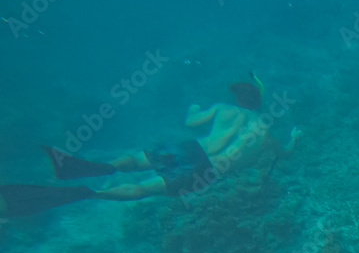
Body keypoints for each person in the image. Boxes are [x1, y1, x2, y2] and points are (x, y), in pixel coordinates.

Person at [0, 74, 301, 217]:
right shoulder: (267, 136)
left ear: (240, 99)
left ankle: (93, 167)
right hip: (209, 171)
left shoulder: (224, 110)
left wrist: (193, 107)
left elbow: (191, 121)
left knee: (137, 160)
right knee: (144, 189)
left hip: (191, 147)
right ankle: (87, 192)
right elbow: (285, 154)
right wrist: (295, 140)